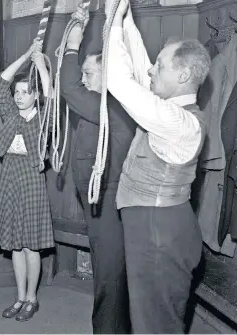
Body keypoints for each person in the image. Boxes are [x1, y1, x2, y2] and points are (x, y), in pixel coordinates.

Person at [104, 0, 211, 332]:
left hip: (158, 234)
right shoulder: (169, 110)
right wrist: (121, 15)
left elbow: (120, 82)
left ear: (181, 74)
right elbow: (139, 65)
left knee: (155, 325)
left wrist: (112, 22)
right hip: (159, 228)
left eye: (160, 65)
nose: (152, 69)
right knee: (154, 319)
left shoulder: (178, 121)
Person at [59, 7, 136, 334]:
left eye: (89, 74)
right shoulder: (100, 105)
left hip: (109, 206)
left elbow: (70, 89)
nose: (85, 80)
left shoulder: (114, 104)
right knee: (109, 273)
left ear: (108, 75)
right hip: (98, 205)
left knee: (110, 275)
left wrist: (74, 45)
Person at [0, 39, 54, 322]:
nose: (18, 96)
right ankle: (19, 296)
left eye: (25, 92)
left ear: (34, 96)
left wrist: (39, 65)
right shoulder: (11, 115)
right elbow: (0, 84)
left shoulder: (42, 118)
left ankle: (32, 298)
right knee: (15, 244)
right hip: (10, 184)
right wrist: (26, 54)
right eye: (18, 92)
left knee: (31, 246)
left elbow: (51, 96)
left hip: (31, 186)